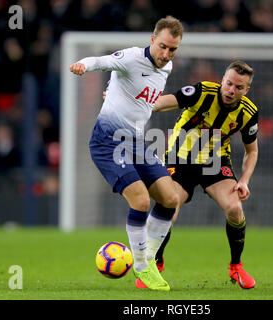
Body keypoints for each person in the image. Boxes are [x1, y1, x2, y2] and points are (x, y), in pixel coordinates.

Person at [69, 16, 184, 291]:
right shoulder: (131, 57)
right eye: (163, 46)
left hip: (136, 140)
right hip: (108, 142)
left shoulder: (166, 68)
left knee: (171, 198)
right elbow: (102, 61)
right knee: (141, 201)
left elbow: (143, 100)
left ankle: (150, 258)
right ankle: (142, 268)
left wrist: (116, 93)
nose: (166, 54)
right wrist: (83, 65)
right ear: (153, 40)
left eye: (173, 49)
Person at [146, 61, 259, 289]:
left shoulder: (248, 113)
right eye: (228, 84)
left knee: (235, 208)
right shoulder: (201, 92)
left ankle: (236, 266)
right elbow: (159, 104)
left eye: (238, 87)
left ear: (246, 90)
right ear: (222, 80)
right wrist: (126, 102)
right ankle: (154, 264)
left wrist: (244, 181)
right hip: (179, 160)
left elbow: (252, 150)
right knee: (170, 207)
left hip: (214, 162)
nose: (231, 90)